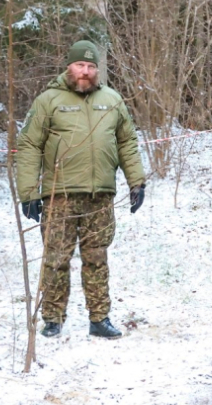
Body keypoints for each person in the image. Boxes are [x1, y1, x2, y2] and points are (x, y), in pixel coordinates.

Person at [16, 40, 147, 340]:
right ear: (69, 67)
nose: (85, 72)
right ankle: (52, 318)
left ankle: (99, 318)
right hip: (59, 195)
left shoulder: (112, 99)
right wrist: (28, 192)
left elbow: (127, 141)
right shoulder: (48, 100)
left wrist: (136, 181)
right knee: (56, 259)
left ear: (97, 70)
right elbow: (29, 146)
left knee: (97, 258)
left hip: (100, 196)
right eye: (80, 65)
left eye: (90, 66)